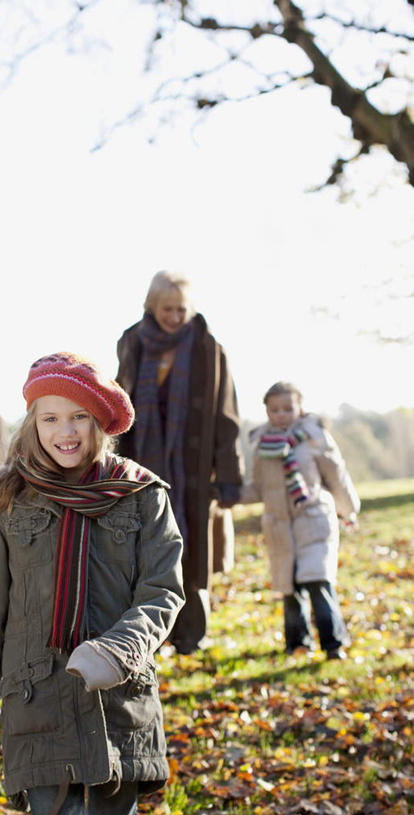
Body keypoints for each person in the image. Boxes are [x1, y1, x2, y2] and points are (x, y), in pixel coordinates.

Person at [0, 352, 184, 815]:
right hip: (37, 708)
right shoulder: (9, 503)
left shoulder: (142, 496)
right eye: (51, 417)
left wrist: (117, 651)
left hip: (118, 707)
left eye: (79, 416)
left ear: (99, 421)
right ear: (33, 423)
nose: (66, 431)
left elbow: (163, 593)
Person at [115, 271, 243, 654]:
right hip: (144, 463)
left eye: (181, 309)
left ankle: (192, 634)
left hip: (194, 467)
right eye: (167, 309)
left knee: (192, 548)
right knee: (145, 549)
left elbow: (226, 414)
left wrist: (229, 475)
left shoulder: (208, 347)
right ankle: (152, 635)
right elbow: (121, 403)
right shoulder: (133, 341)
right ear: (152, 307)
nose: (174, 316)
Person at [240, 381, 360, 660]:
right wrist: (228, 496)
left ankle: (333, 643)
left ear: (299, 407)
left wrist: (349, 508)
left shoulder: (315, 438)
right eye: (274, 410)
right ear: (267, 411)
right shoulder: (262, 445)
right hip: (279, 525)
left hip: (314, 519)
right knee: (290, 587)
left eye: (287, 408)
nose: (281, 414)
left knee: (318, 581)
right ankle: (297, 643)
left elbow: (336, 476)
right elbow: (258, 487)